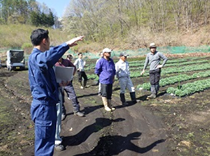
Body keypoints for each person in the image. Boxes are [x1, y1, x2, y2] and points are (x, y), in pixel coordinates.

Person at [28, 28, 83, 156]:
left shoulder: (38, 59)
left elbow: (42, 81)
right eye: (48, 39)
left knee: (47, 142)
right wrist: (66, 44)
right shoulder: (37, 57)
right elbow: (46, 59)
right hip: (44, 108)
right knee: (44, 147)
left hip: (47, 105)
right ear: (44, 41)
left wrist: (58, 83)